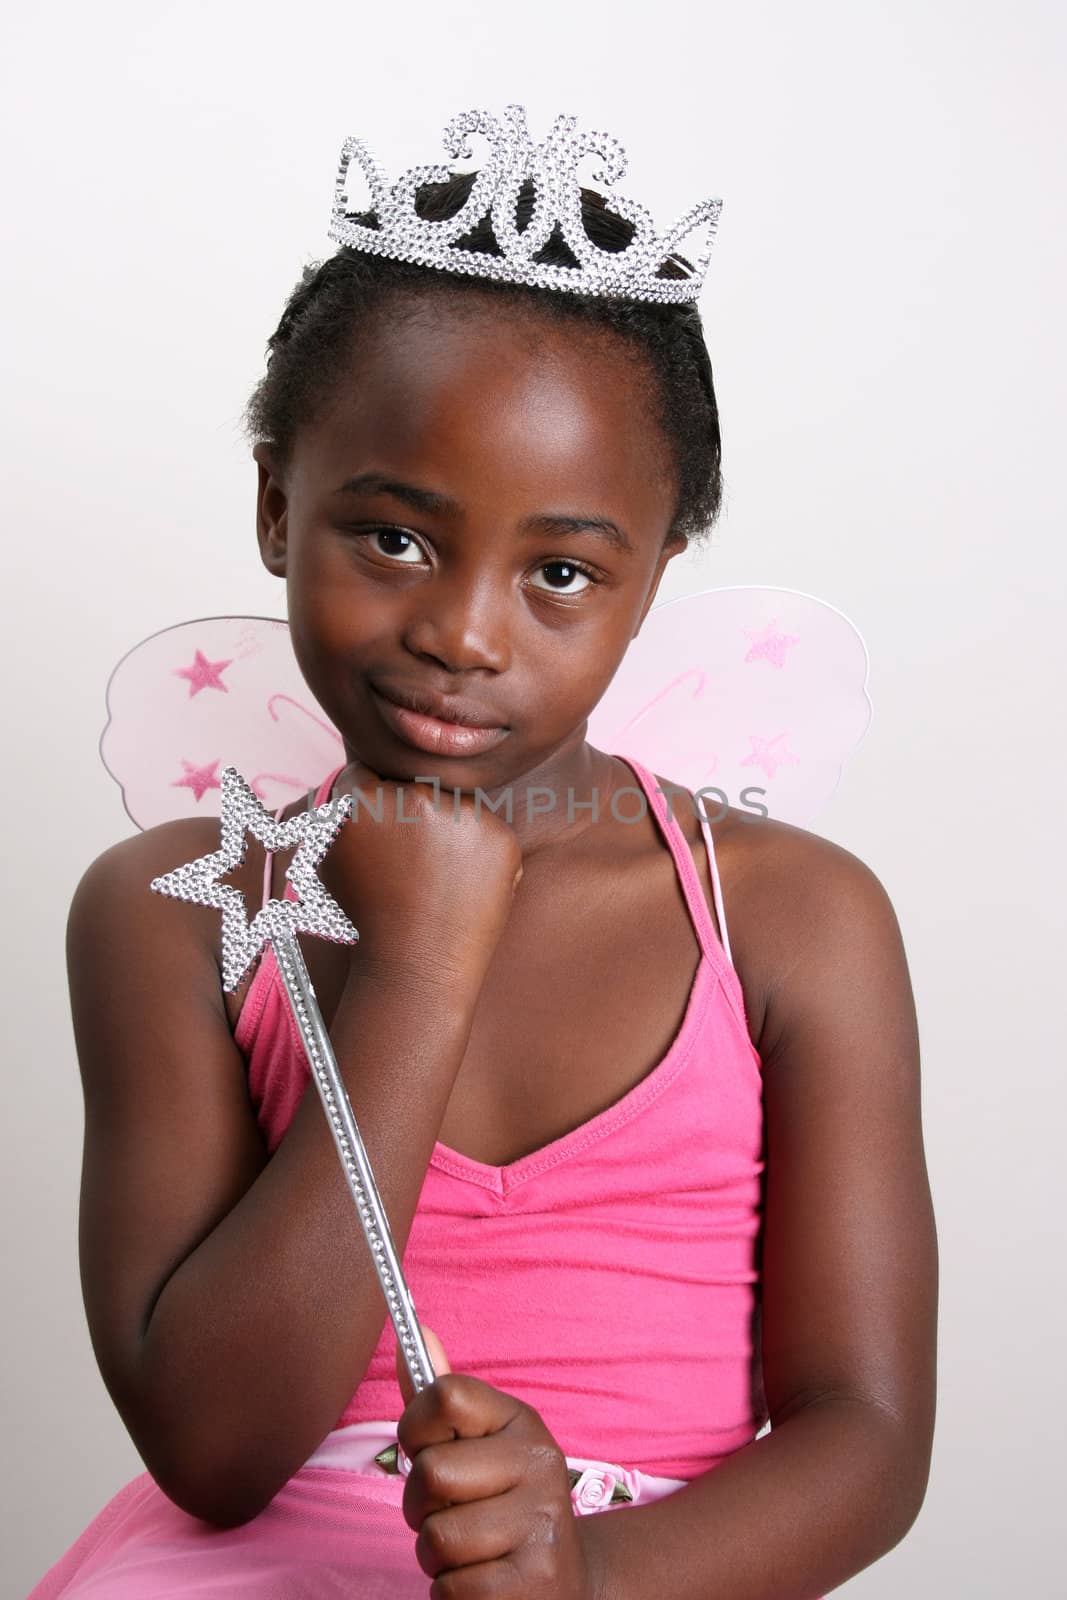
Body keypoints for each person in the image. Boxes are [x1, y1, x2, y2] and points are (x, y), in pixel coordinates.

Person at [28, 116, 937, 1599]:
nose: (461, 633)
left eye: (562, 573)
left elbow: (871, 1436)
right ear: (276, 504)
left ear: (649, 586)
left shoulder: (794, 919)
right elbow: (210, 1443)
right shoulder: (175, 912)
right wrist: (421, 965)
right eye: (393, 539)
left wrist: (582, 1571)